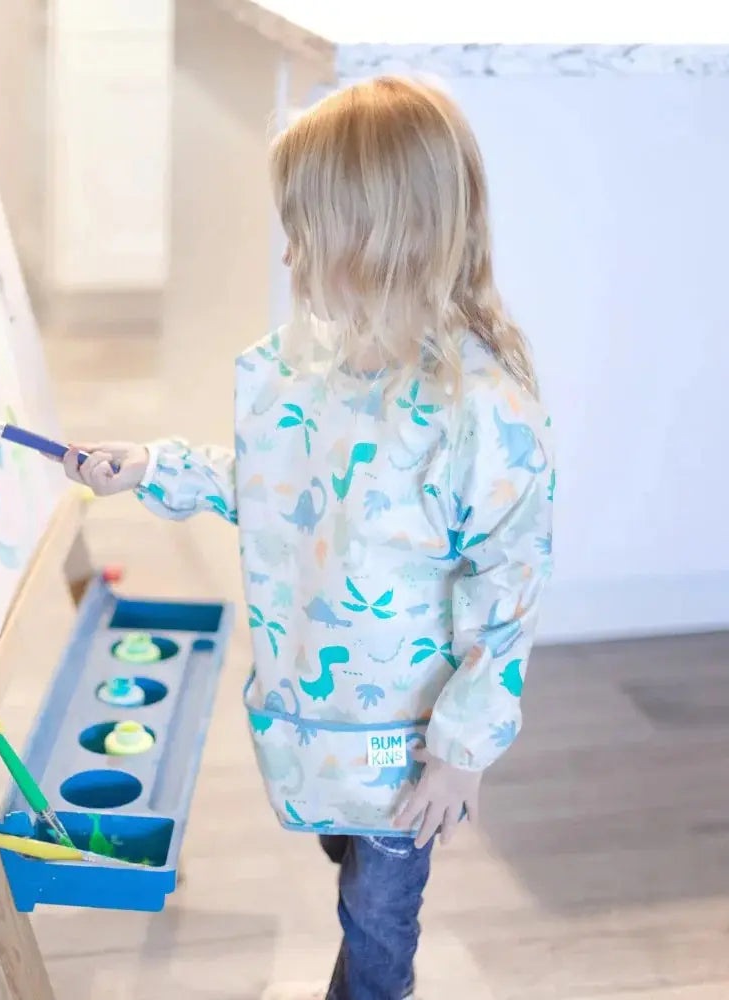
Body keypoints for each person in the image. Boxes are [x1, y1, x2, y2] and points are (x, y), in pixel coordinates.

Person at [62, 76, 555, 1000]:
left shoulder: (478, 411)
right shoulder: (319, 367)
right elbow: (270, 485)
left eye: (306, 231)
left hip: (405, 739)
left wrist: (461, 749)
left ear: (378, 239)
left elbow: (509, 585)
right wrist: (153, 468)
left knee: (376, 916)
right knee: (347, 855)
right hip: (323, 708)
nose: (288, 252)